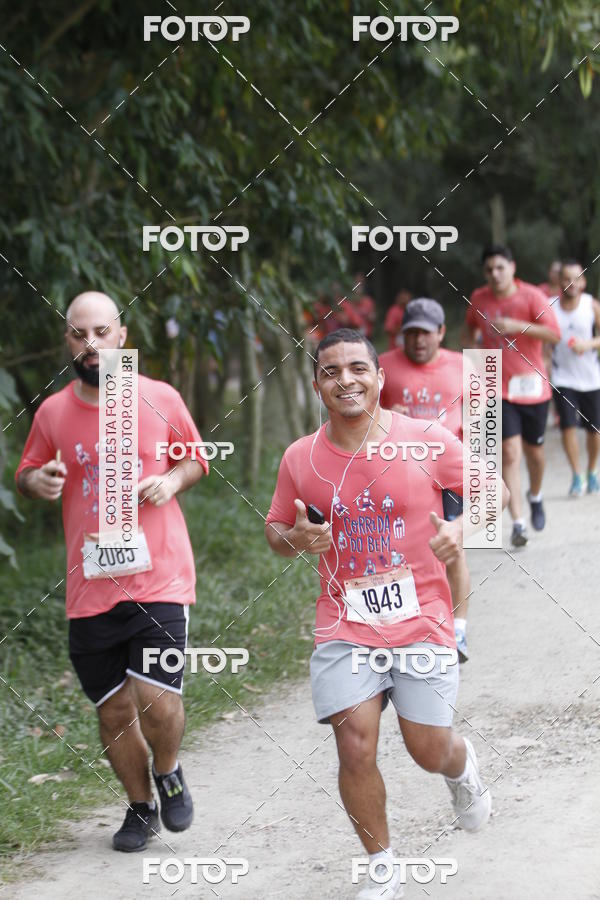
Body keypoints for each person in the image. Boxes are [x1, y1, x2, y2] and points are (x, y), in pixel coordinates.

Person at [265, 328, 508, 899]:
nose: (344, 379)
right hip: (344, 621)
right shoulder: (301, 457)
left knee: (429, 748)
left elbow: (490, 489)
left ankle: (461, 766)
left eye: (356, 368)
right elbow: (276, 529)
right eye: (330, 371)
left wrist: (459, 529)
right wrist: (296, 538)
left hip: (421, 617)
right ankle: (382, 864)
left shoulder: (425, 439)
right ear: (318, 384)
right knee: (354, 741)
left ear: (379, 377)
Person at [15, 291, 208, 852]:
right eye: (79, 334)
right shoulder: (52, 413)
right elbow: (28, 472)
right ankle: (139, 807)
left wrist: (171, 481)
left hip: (160, 578)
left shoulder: (160, 398)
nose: (91, 343)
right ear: (68, 342)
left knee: (154, 696)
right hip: (89, 587)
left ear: (122, 336)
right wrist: (37, 482)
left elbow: (194, 457)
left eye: (101, 331)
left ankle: (167, 769)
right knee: (114, 710)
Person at [379, 298, 471, 662]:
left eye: (425, 333)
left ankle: (458, 631)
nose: (418, 341)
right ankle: (405, 626)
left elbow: (483, 420)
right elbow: (359, 414)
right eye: (411, 333)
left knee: (452, 548)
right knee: (400, 551)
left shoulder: (464, 366)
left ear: (442, 333)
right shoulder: (382, 366)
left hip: (446, 472)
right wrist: (385, 414)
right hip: (397, 472)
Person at [465, 246, 560, 547]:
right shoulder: (479, 299)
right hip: (498, 388)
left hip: (533, 388)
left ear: (512, 267)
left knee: (535, 454)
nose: (495, 274)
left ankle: (536, 495)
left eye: (500, 268)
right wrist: (471, 360)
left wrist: (520, 327)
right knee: (508, 452)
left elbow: (554, 334)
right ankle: (518, 524)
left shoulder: (531, 296)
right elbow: (468, 330)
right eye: (489, 269)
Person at [550, 259, 600, 495]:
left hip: (591, 378)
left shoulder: (591, 305)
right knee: (568, 427)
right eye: (567, 278)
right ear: (560, 281)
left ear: (583, 282)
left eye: (576, 278)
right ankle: (576, 475)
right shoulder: (550, 307)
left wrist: (587, 344)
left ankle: (592, 472)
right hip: (563, 378)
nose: (572, 283)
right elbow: (542, 338)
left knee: (594, 431)